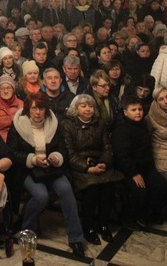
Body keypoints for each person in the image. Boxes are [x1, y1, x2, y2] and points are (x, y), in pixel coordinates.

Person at [7, 93, 86, 258]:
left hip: (51, 168)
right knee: (40, 195)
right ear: (28, 109)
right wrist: (33, 159)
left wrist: (56, 157)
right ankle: (26, 230)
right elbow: (12, 153)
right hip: (28, 169)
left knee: (66, 190)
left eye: (41, 108)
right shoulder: (18, 124)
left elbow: (63, 149)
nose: (37, 112)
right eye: (34, 108)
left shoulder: (54, 123)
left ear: (46, 110)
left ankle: (76, 238)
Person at [60, 94, 123, 245]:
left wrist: (104, 163)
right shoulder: (67, 125)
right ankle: (88, 227)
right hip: (79, 166)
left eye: (91, 106)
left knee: (109, 186)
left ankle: (102, 224)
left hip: (99, 163)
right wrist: (87, 168)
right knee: (92, 189)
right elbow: (69, 154)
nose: (88, 109)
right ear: (76, 109)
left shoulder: (100, 123)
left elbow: (108, 148)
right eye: (83, 106)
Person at [111, 96, 167, 229]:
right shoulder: (121, 130)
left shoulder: (143, 125)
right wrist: (134, 173)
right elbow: (122, 157)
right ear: (125, 112)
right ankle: (128, 216)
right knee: (139, 192)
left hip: (145, 168)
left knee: (162, 186)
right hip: (128, 170)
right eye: (133, 110)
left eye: (140, 109)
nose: (138, 112)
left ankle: (147, 214)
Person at [0, 74, 24, 142]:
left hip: (18, 141)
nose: (6, 91)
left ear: (13, 89)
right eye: (2, 88)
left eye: (9, 88)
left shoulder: (21, 104)